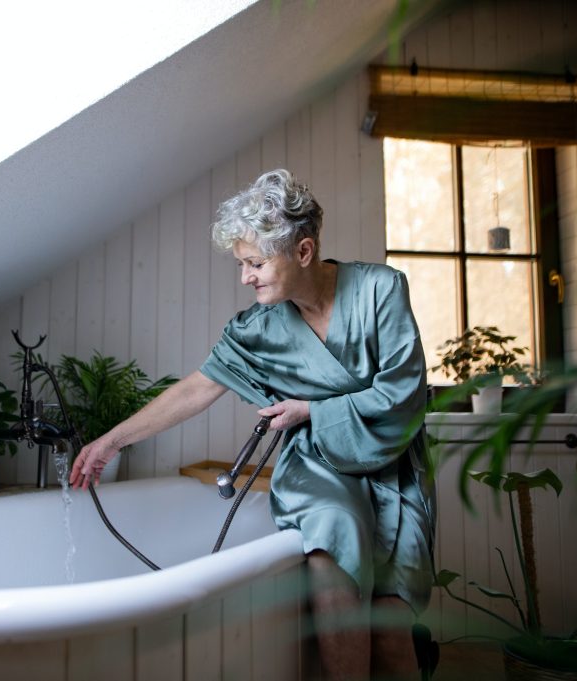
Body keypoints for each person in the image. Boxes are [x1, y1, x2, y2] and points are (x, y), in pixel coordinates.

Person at [69, 169, 434, 681]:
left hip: (393, 465)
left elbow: (405, 392)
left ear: (303, 252)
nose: (245, 277)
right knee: (333, 530)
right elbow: (197, 387)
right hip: (321, 466)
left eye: (256, 263)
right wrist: (112, 440)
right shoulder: (257, 328)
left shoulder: (380, 289)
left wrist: (310, 410)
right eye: (242, 264)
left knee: (392, 629)